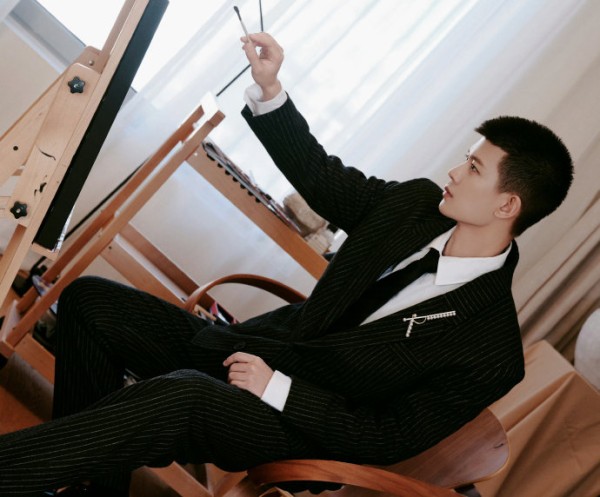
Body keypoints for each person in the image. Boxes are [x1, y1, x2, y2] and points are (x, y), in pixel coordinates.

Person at [0, 32, 573, 497]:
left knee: (182, 396)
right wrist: (270, 87)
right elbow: (323, 178)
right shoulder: (415, 206)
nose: (454, 171)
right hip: (249, 352)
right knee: (91, 302)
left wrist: (278, 389)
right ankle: (87, 487)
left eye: (473, 168)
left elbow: (383, 438)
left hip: (295, 426)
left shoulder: (491, 350)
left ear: (507, 206)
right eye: (465, 159)